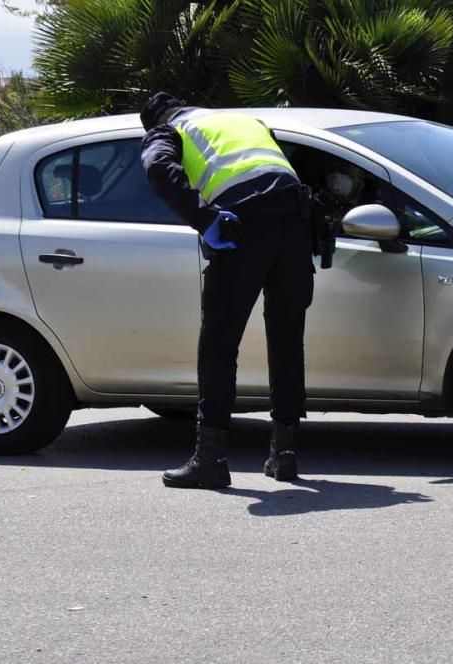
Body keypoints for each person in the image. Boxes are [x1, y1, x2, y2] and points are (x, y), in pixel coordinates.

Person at [140, 92, 314, 489]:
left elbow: (157, 168)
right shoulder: (242, 121)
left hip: (243, 225)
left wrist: (205, 219)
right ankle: (285, 455)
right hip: (295, 222)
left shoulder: (169, 131)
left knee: (219, 344)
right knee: (288, 341)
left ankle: (211, 459)